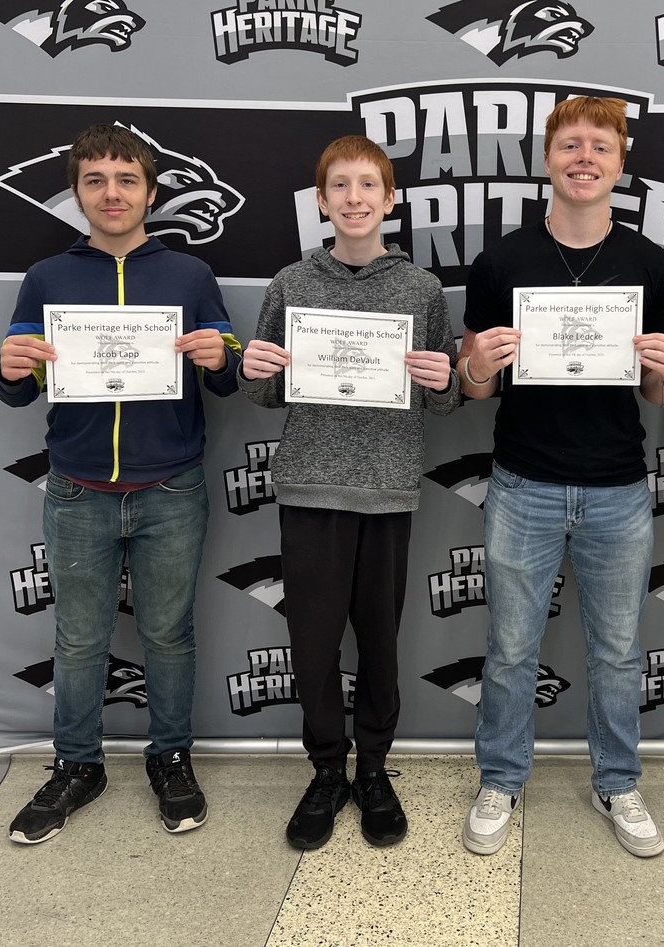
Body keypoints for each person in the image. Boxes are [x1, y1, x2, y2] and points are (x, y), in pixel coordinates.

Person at [0, 124, 242, 844]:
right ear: (76, 193)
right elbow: (16, 387)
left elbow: (224, 376)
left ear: (151, 192)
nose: (111, 192)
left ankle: (170, 757)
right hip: (76, 490)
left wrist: (214, 356)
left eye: (126, 179)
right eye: (96, 179)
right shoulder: (48, 277)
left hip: (170, 490)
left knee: (167, 635)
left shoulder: (189, 277)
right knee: (77, 641)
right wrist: (9, 368)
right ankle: (78, 764)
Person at [458, 96, 664, 857]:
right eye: (570, 145)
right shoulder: (500, 262)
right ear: (548, 159)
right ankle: (500, 775)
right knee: (511, 647)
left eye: (600, 145)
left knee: (618, 651)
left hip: (619, 487)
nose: (584, 157)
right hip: (523, 482)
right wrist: (477, 365)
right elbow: (477, 387)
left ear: (621, 163)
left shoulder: (652, 267)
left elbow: (655, 395)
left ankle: (618, 780)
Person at [238, 135, 460, 850]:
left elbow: (448, 400)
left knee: (380, 646)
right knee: (312, 645)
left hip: (387, 491)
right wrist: (255, 367)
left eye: (370, 185)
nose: (356, 197)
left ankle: (373, 769)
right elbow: (265, 393)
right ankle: (327, 769)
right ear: (323, 200)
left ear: (390, 199)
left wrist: (444, 381)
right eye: (341, 185)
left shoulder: (422, 290)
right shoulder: (290, 283)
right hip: (311, 487)